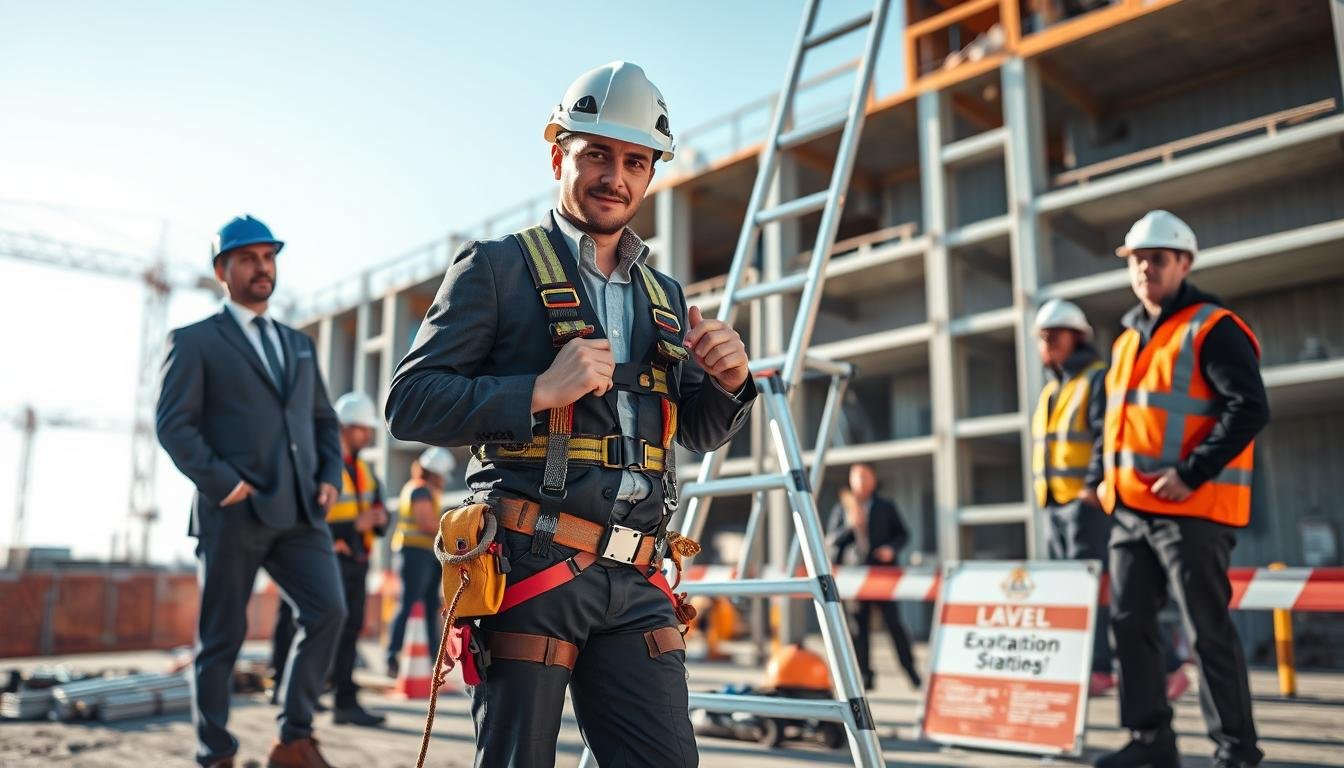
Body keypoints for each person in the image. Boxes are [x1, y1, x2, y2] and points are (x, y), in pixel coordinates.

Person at [385, 60, 756, 767]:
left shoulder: (667, 297)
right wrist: (536, 392)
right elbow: (411, 401)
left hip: (638, 577)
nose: (614, 176)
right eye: (596, 155)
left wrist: (730, 384)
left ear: (650, 174)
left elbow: (699, 435)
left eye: (634, 161)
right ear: (559, 155)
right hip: (531, 566)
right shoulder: (495, 269)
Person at [156, 214, 346, 768]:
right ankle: (215, 753)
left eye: (269, 258)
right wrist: (224, 483)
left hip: (301, 511)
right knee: (221, 639)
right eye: (248, 259)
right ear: (223, 270)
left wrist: (330, 476)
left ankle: (293, 737)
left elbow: (323, 420)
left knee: (328, 612)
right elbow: (174, 424)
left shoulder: (298, 344)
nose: (262, 268)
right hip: (232, 512)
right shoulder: (194, 341)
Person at [1095, 210, 1269, 768]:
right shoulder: (1126, 339)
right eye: (1138, 259)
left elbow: (1249, 408)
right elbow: (1122, 424)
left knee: (1207, 633)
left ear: (1184, 263)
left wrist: (1191, 472)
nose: (1146, 268)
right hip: (1130, 511)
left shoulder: (1211, 326)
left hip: (1191, 511)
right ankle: (1152, 742)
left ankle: (1236, 753)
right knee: (1129, 625)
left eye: (1158, 258)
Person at [271, 392, 390, 726]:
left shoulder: (365, 469)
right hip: (326, 557)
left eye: (368, 430)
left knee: (350, 630)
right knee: (317, 627)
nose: (366, 436)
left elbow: (378, 508)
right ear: (344, 427)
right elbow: (309, 513)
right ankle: (298, 694)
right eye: (360, 429)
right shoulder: (321, 464)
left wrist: (379, 520)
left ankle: (344, 701)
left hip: (357, 559)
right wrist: (351, 527)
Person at [1031, 299, 1114, 695]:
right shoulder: (1052, 391)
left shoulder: (1096, 379)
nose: (1046, 345)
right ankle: (1080, 664)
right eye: (1042, 339)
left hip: (1085, 505)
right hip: (1055, 505)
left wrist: (1091, 486)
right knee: (1066, 593)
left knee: (1092, 590)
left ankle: (1100, 667)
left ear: (1077, 337)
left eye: (1053, 336)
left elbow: (1106, 436)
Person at [827, 463, 921, 691]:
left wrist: (890, 548)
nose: (859, 482)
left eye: (864, 477)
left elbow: (903, 534)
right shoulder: (843, 508)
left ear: (873, 479)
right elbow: (831, 541)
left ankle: (911, 671)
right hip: (856, 576)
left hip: (882, 575)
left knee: (894, 625)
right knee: (858, 629)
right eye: (855, 477)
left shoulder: (885, 506)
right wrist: (850, 526)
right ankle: (865, 677)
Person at [384, 446, 453, 678]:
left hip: (423, 553)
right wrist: (451, 532)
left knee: (428, 603)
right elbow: (426, 523)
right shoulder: (420, 491)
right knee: (408, 603)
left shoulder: (424, 489)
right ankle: (392, 657)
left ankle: (433, 658)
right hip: (413, 553)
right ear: (436, 472)